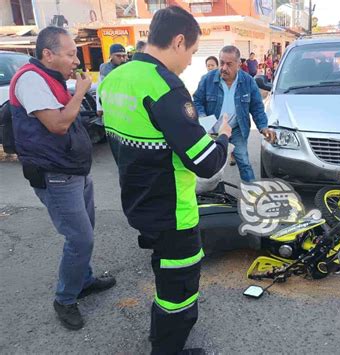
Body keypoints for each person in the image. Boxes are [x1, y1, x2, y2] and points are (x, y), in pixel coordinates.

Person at [98, 6, 230, 354]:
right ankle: (166, 349)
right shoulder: (165, 87)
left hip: (138, 202)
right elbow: (206, 163)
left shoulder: (114, 79)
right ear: (179, 40)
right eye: (190, 52)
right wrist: (223, 137)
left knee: (164, 272)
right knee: (179, 289)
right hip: (173, 212)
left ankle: (162, 337)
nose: (189, 62)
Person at [9, 26, 116, 331]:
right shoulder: (30, 79)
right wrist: (80, 92)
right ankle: (65, 299)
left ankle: (83, 280)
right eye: (69, 54)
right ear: (47, 54)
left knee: (85, 233)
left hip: (73, 170)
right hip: (55, 175)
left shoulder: (51, 79)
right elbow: (57, 124)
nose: (75, 60)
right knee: (80, 237)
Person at [193, 45, 276, 182]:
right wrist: (203, 118)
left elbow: (257, 107)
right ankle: (215, 195)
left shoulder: (248, 81)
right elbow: (197, 101)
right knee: (211, 166)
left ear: (238, 65)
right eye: (222, 63)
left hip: (237, 129)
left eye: (229, 64)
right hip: (212, 130)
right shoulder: (207, 79)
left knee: (243, 162)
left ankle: (252, 194)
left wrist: (263, 127)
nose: (224, 68)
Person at [96, 43, 128, 116]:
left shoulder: (128, 67)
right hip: (110, 106)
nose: (122, 58)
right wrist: (99, 108)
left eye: (124, 56)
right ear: (111, 56)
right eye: (118, 56)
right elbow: (99, 89)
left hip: (126, 105)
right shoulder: (104, 68)